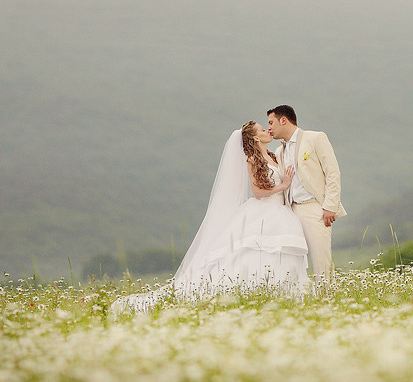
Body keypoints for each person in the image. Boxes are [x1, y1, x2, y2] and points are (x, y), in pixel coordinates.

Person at [112, 121, 310, 313]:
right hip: (264, 211)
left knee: (279, 252)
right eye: (262, 129)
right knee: (256, 253)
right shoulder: (252, 160)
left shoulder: (273, 155)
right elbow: (258, 192)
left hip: (281, 212)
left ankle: (283, 293)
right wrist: (283, 185)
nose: (267, 130)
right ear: (256, 137)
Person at [268, 104, 347, 285]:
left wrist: (330, 206)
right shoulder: (280, 151)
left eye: (271, 123)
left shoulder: (315, 138)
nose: (269, 128)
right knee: (293, 260)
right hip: (290, 212)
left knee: (321, 259)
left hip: (314, 208)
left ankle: (326, 299)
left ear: (284, 120)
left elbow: (332, 172)